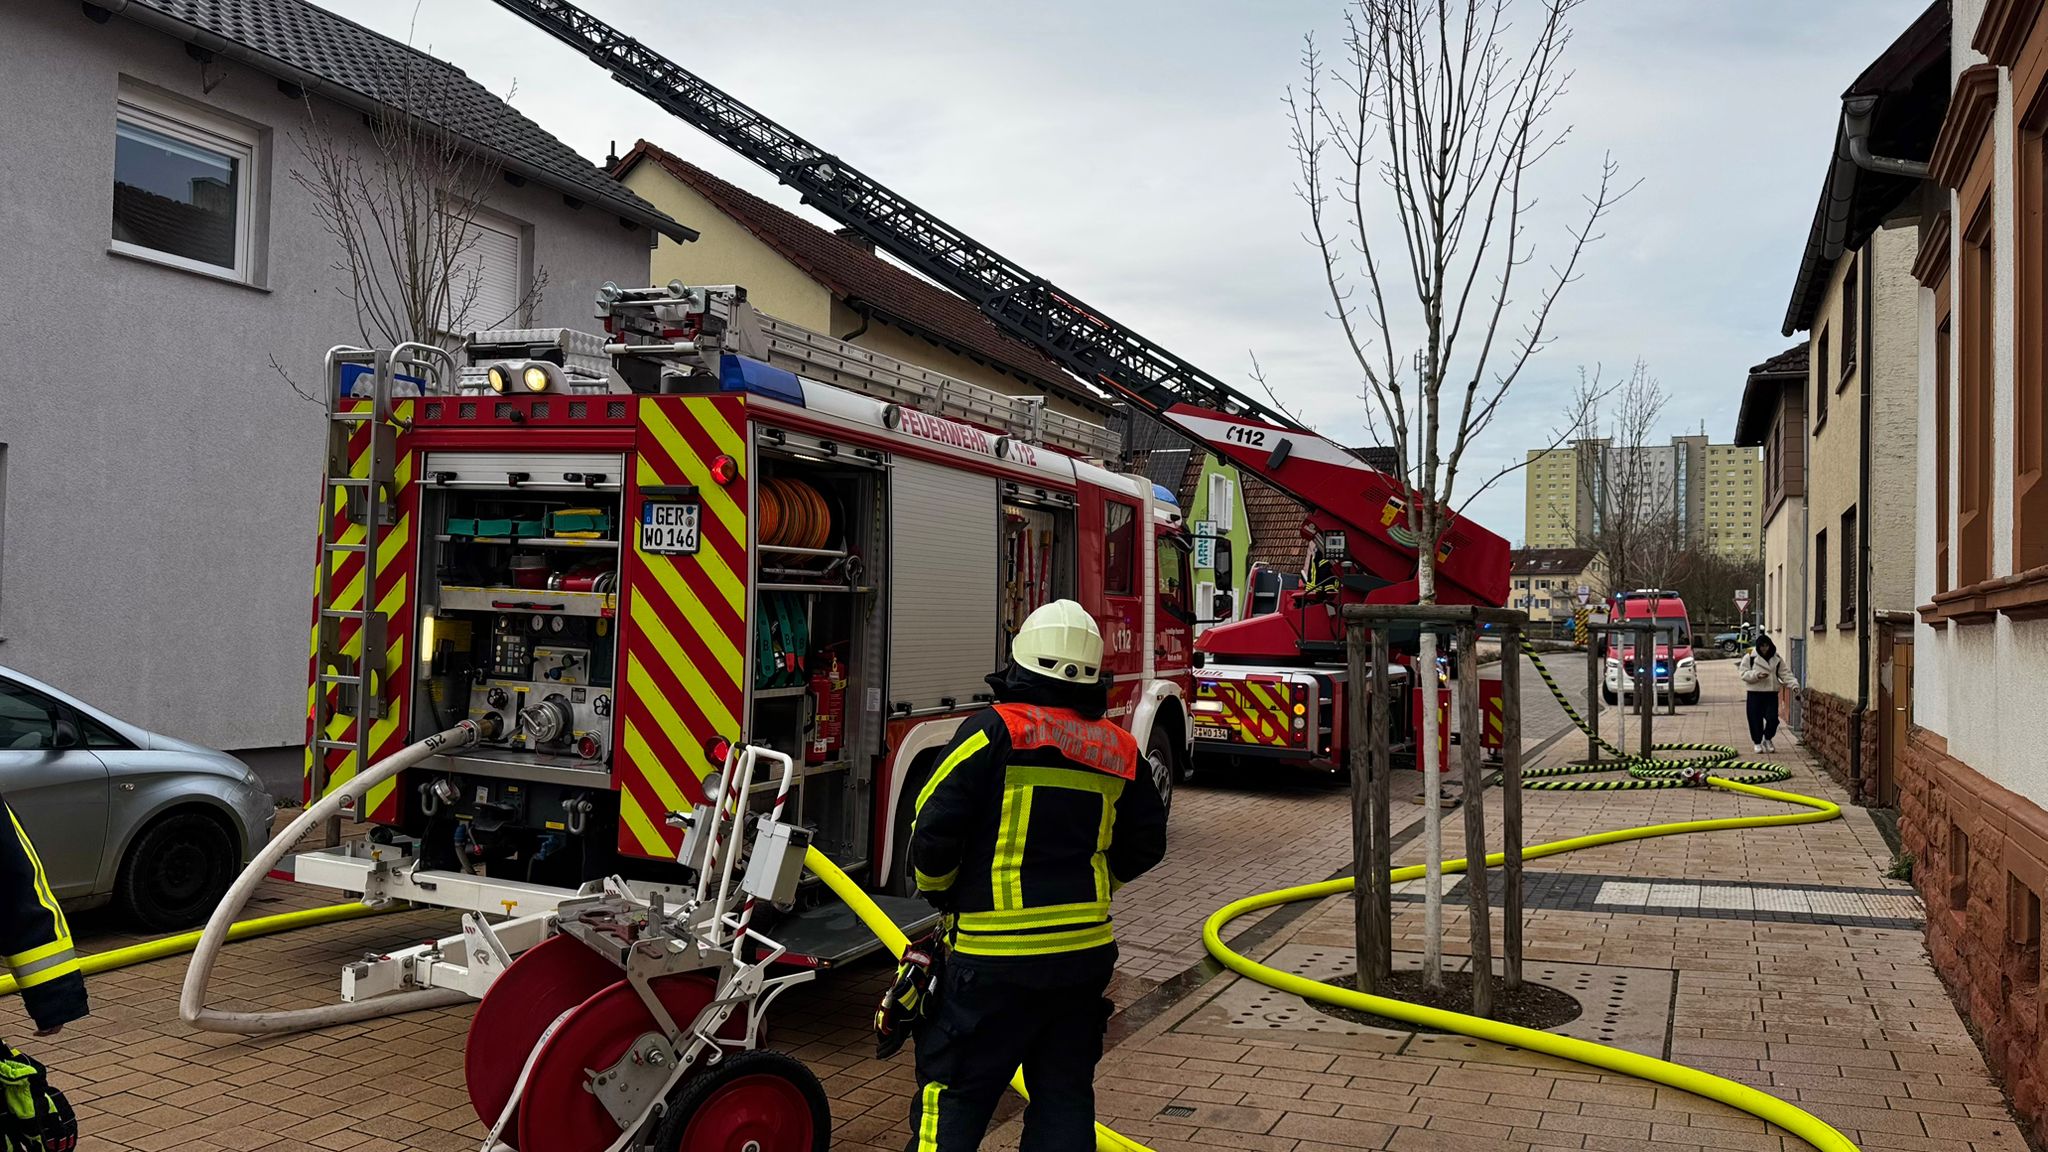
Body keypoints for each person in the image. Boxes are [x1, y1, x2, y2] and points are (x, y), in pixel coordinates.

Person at [905, 599, 1167, 1152]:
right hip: (1083, 958)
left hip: (993, 961)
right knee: (1064, 1096)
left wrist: (943, 894)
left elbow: (931, 834)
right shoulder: (1120, 748)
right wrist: (1102, 883)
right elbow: (1147, 841)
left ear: (1022, 661)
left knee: (954, 1094)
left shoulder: (989, 733)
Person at [1738, 635, 1799, 754]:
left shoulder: (1776, 658)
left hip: (1771, 693)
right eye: (1762, 646)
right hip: (1754, 692)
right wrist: (1756, 675)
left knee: (1773, 719)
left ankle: (1767, 738)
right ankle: (1757, 742)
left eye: (1766, 646)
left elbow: (1785, 673)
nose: (1764, 649)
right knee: (1755, 719)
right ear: (1758, 646)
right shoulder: (1750, 657)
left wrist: (1794, 685)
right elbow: (1743, 673)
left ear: (1770, 645)